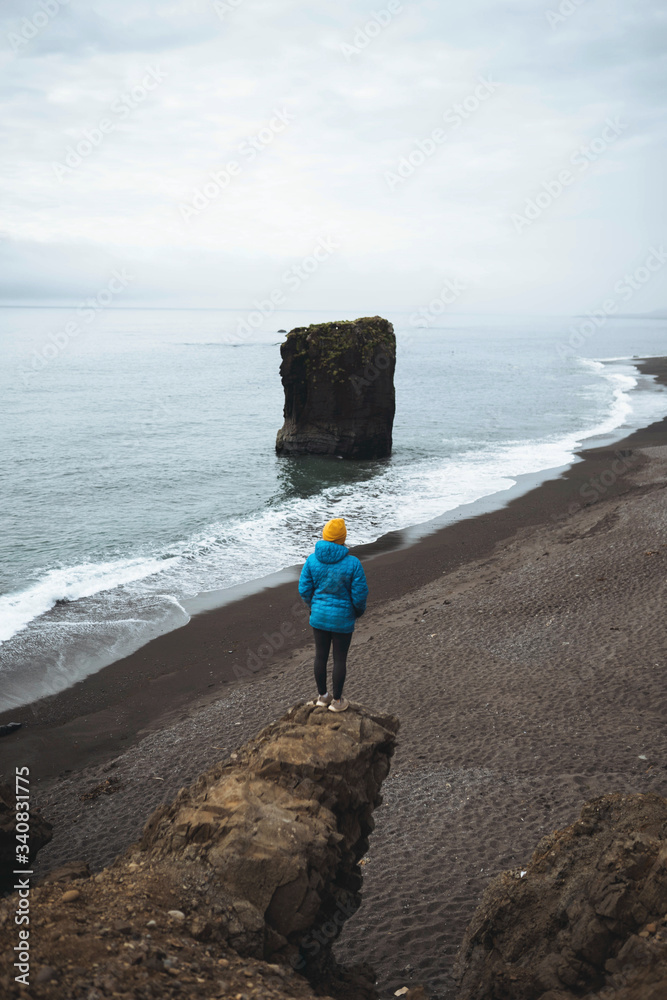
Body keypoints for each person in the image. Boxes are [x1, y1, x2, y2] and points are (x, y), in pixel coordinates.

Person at [298, 517, 368, 712]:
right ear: (342, 538)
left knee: (320, 657)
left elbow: (304, 589)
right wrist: (357, 612)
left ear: (325, 536)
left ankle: (322, 697)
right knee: (339, 659)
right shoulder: (353, 563)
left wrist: (315, 605)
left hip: (318, 617)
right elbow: (360, 595)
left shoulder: (312, 560)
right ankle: (337, 702)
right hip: (343, 619)